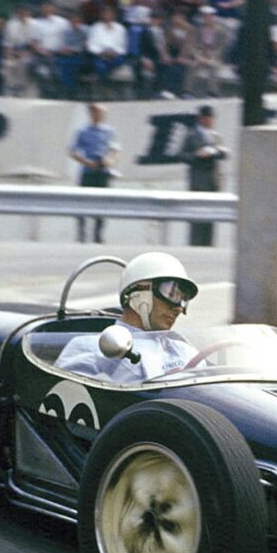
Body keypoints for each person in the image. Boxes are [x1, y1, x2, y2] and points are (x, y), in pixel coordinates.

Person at [56, 253, 199, 383]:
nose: (179, 308)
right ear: (138, 294)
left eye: (183, 299)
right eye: (171, 293)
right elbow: (70, 397)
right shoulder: (90, 347)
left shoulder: (185, 351)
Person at [71, 103, 119, 243]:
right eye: (96, 113)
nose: (99, 116)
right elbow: (73, 152)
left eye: (101, 113)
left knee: (102, 205)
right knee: (83, 204)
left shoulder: (109, 131)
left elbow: (115, 149)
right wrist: (87, 162)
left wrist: (109, 160)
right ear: (91, 114)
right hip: (88, 171)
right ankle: (81, 235)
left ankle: (98, 236)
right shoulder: (83, 131)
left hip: (103, 171)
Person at [182, 104, 226, 247]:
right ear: (201, 118)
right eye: (206, 118)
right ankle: (195, 243)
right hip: (198, 181)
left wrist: (216, 152)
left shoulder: (215, 136)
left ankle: (208, 244)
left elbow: (224, 153)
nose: (209, 121)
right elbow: (182, 155)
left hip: (212, 181)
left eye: (211, 118)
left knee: (211, 217)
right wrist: (197, 155)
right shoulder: (192, 135)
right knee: (197, 217)